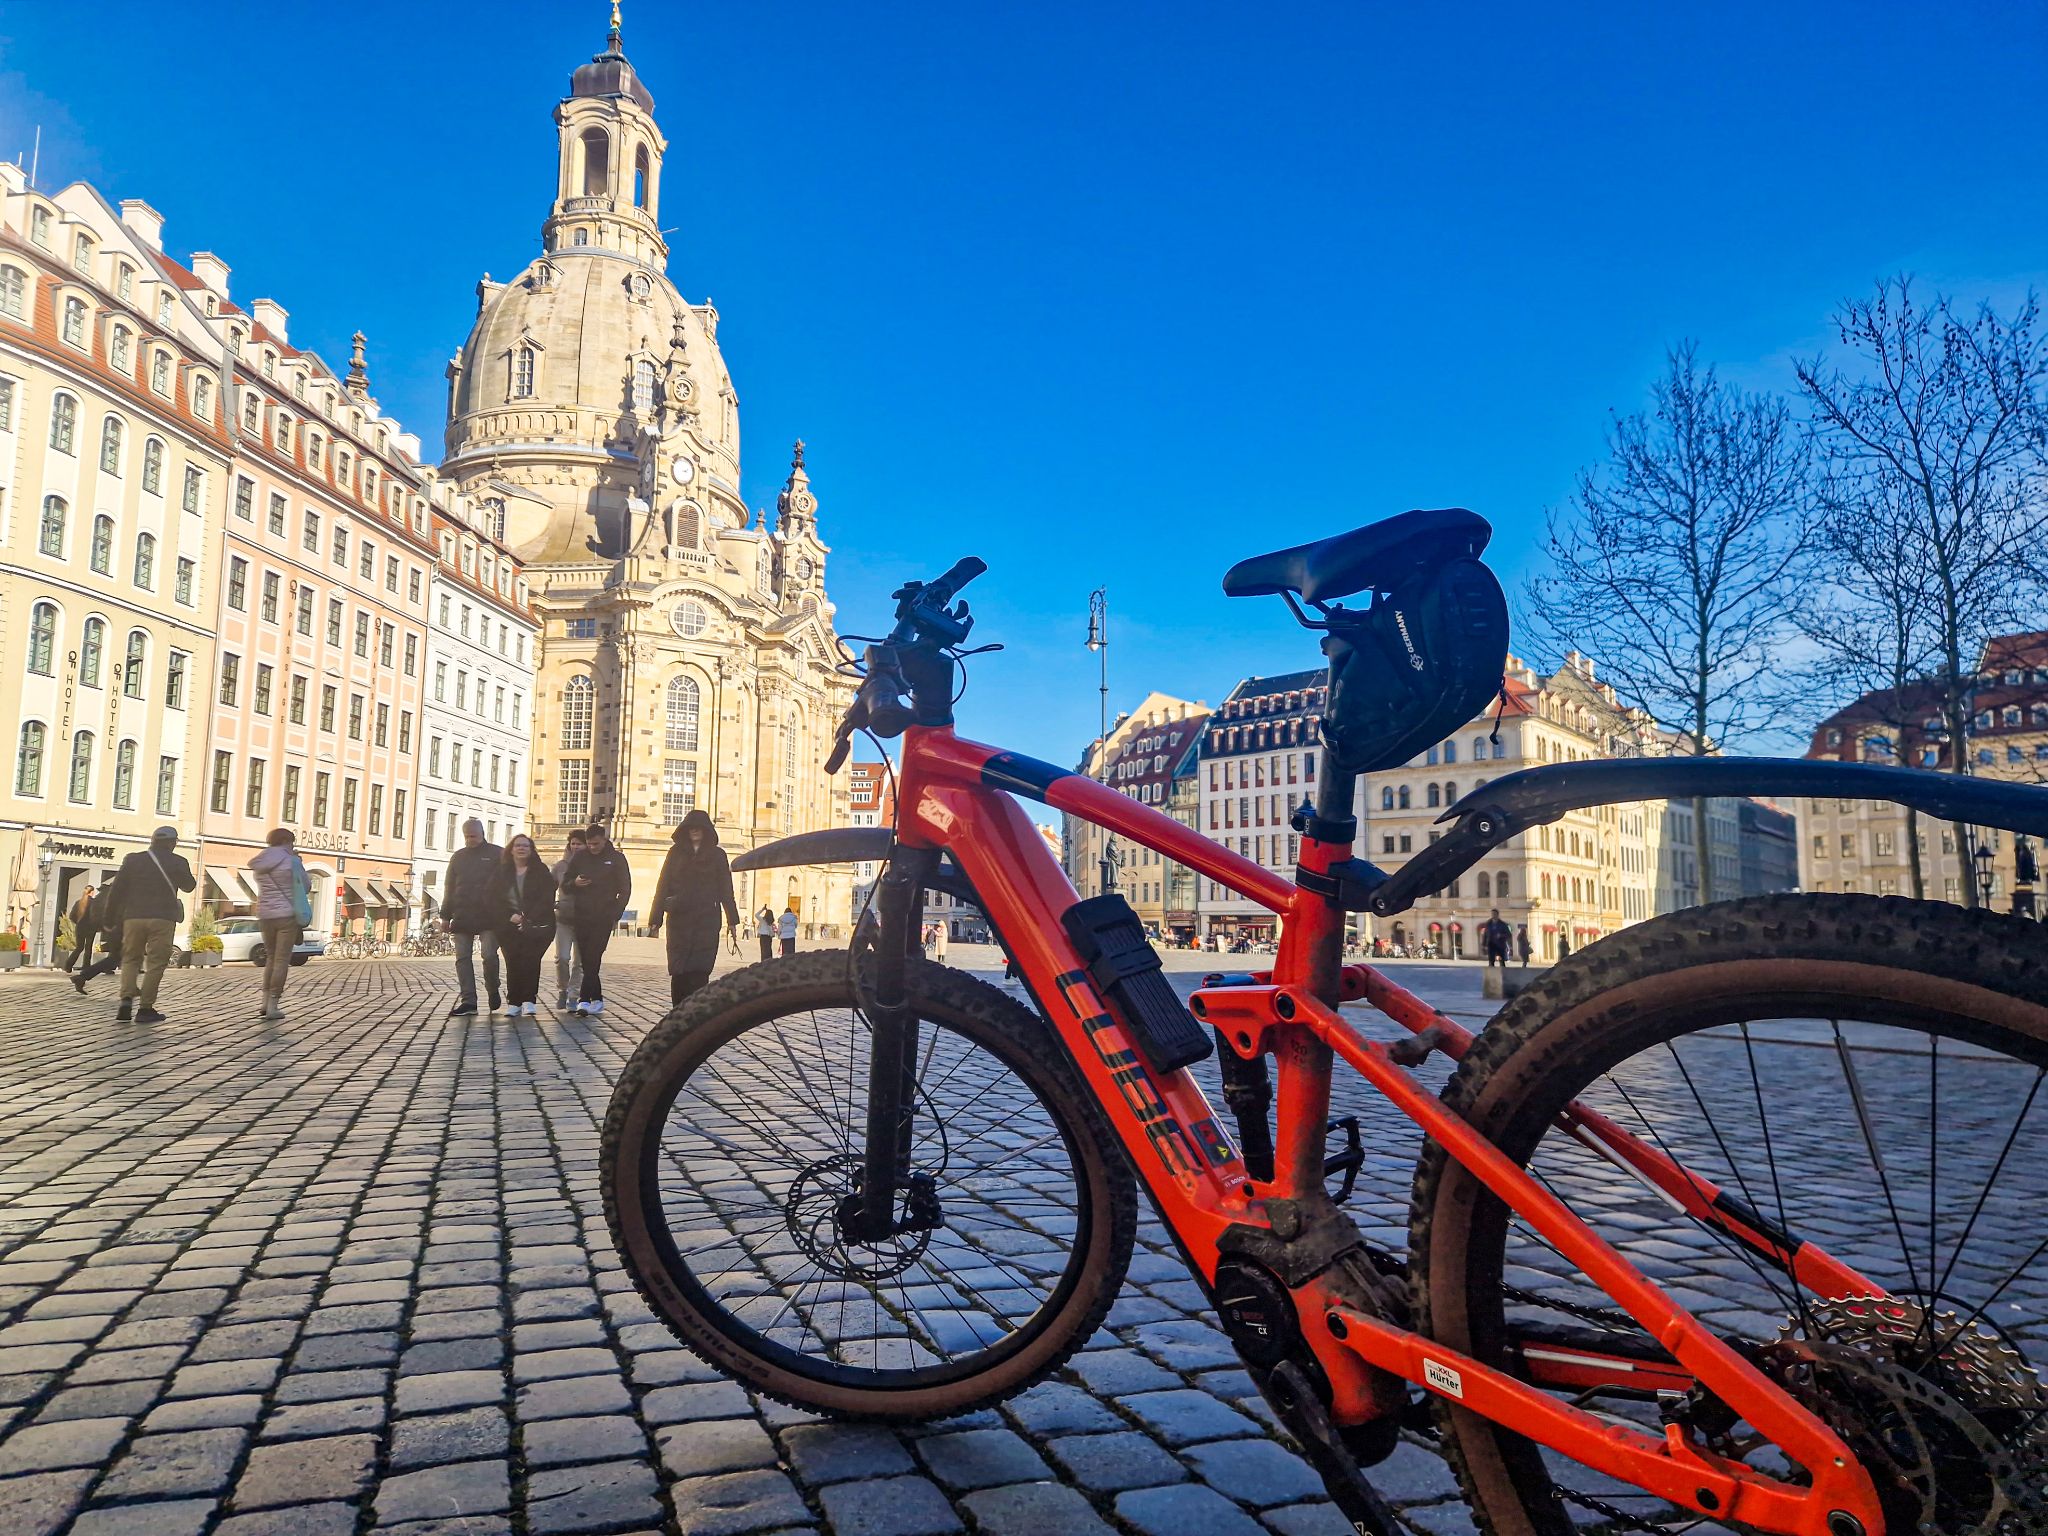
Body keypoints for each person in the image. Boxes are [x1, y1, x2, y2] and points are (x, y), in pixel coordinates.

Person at [650, 810, 740, 1008]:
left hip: (706, 918)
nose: (695, 831)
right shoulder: (675, 853)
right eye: (691, 828)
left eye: (699, 828)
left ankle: (696, 1012)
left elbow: (726, 889)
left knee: (700, 969)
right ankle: (678, 1011)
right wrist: (656, 917)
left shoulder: (718, 855)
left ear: (707, 830)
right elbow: (663, 884)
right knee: (679, 969)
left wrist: (732, 920)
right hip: (679, 917)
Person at [108, 827, 196, 1023]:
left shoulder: (133, 859)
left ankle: (125, 1002)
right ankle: (145, 1009)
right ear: (172, 842)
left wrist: (109, 918)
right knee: (156, 963)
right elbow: (189, 886)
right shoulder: (178, 861)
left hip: (133, 917)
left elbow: (117, 889)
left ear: (153, 840)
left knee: (130, 959)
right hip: (162, 918)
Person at [562, 823, 631, 1013]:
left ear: (604, 839)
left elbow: (625, 888)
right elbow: (565, 884)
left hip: (604, 916)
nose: (592, 847)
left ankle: (584, 999)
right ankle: (598, 999)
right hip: (582, 914)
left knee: (594, 956)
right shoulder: (579, 857)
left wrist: (616, 912)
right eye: (590, 844)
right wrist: (575, 883)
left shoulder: (616, 858)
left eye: (596, 844)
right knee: (587, 960)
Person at [492, 834, 557, 1017]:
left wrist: (527, 918)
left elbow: (546, 897)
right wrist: (509, 916)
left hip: (536, 924)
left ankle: (529, 1000)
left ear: (531, 850)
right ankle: (514, 1002)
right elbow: (492, 898)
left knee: (530, 960)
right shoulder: (501, 871)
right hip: (508, 924)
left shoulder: (540, 870)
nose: (521, 848)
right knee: (513, 961)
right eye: (518, 845)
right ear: (511, 849)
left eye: (525, 846)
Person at [442, 819, 503, 1017]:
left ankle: (492, 988)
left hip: (490, 915)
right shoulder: (458, 857)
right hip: (462, 914)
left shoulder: (497, 854)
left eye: (473, 836)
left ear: (482, 833)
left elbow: (507, 884)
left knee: (489, 955)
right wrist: (445, 916)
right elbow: (449, 887)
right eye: (467, 836)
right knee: (462, 959)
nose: (470, 840)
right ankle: (468, 1001)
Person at [248, 829, 310, 1020]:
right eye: (292, 841)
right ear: (285, 841)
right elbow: (306, 887)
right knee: (282, 960)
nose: (293, 845)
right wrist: (298, 863)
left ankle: (264, 1002)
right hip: (286, 915)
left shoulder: (261, 860)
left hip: (265, 914)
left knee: (271, 958)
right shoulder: (292, 861)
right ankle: (273, 1005)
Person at [550, 830, 587, 1009]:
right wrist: (551, 905)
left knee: (579, 962)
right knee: (562, 958)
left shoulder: (590, 864)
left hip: (584, 919)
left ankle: (574, 994)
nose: (576, 846)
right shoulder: (560, 866)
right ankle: (563, 989)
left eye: (579, 843)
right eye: (573, 843)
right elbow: (549, 887)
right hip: (563, 918)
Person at [71, 877, 121, 992]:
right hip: (117, 929)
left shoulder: (102, 895)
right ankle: (130, 989)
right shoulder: (115, 896)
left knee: (117, 956)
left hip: (106, 928)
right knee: (121, 956)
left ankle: (82, 976)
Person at [62, 885, 95, 972]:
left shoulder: (78, 902)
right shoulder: (94, 903)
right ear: (92, 892)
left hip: (80, 927)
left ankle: (68, 965)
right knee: (88, 947)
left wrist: (78, 922)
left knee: (79, 947)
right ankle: (86, 966)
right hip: (90, 928)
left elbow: (72, 916)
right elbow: (96, 916)